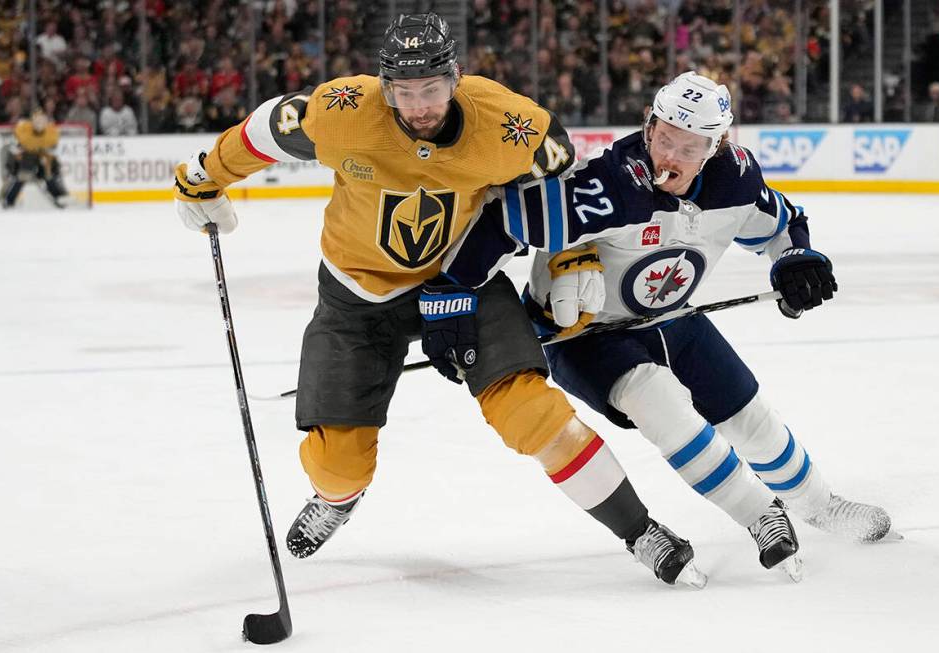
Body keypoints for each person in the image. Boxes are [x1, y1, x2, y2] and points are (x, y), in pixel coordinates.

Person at [172, 14, 704, 587]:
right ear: (385, 86)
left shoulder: (510, 125)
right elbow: (267, 129)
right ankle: (336, 497)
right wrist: (206, 176)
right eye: (404, 92)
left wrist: (568, 256)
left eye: (431, 89)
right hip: (356, 293)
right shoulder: (343, 111)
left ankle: (639, 529)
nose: (419, 105)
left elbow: (559, 185)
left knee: (531, 411)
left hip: (461, 280)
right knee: (338, 465)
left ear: (455, 78)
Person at [442, 72, 894, 574]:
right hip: (587, 338)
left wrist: (794, 258)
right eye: (663, 138)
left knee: (749, 417)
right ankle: (759, 513)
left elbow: (781, 223)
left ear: (718, 145)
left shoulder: (735, 179)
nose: (670, 157)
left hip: (675, 319)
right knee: (657, 401)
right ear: (649, 125)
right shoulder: (605, 188)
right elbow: (500, 223)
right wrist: (451, 296)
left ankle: (820, 505)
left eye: (690, 146)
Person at [0, 109, 68, 209]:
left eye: (42, 121)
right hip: (23, 160)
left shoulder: (51, 133)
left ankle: (59, 196)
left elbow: (53, 152)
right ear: (32, 121)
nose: (39, 124)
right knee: (23, 175)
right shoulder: (22, 129)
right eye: (37, 121)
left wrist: (50, 161)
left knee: (48, 174)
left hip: (40, 159)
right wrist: (18, 153)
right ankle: (8, 199)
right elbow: (13, 148)